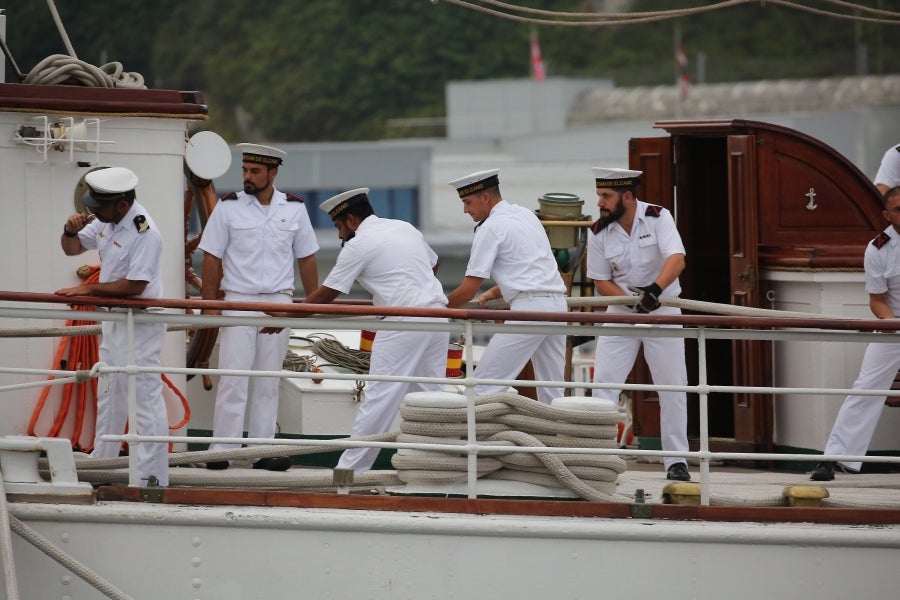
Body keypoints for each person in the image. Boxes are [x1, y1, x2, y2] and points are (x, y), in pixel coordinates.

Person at [298, 188, 450, 474]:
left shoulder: (359, 245)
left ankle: (350, 472)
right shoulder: (403, 227)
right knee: (430, 395)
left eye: (339, 228)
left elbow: (326, 295)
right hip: (437, 317)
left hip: (402, 321)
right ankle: (435, 468)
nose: (340, 236)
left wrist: (285, 315)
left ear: (352, 221)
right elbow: (434, 262)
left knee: (380, 397)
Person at [199, 143, 319, 471]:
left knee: (268, 379)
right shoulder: (228, 207)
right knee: (233, 378)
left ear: (272, 173)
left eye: (255, 172)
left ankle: (262, 449)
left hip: (279, 301)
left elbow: (306, 257)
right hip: (238, 299)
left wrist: (309, 304)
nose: (247, 177)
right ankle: (221, 449)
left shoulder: (294, 209)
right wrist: (211, 307)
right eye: (244, 171)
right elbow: (211, 256)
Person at [57, 166, 169, 487]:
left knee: (144, 399)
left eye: (98, 206)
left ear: (122, 205)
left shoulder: (144, 232)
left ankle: (152, 479)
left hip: (140, 323)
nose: (92, 211)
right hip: (115, 321)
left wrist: (88, 289)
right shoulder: (108, 221)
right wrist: (68, 229)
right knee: (109, 391)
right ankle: (102, 465)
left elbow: (135, 285)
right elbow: (73, 248)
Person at [585, 167, 691, 481]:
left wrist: (654, 293)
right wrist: (632, 304)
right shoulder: (599, 231)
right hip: (621, 311)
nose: (601, 203)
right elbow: (600, 280)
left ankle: (676, 461)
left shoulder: (659, 217)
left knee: (673, 387)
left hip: (664, 309)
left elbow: (677, 258)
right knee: (604, 384)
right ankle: (598, 457)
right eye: (600, 196)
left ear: (628, 197)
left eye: (606, 196)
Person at [445, 169, 567, 405]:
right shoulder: (525, 215)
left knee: (482, 386)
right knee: (553, 392)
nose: (465, 209)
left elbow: (468, 290)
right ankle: (562, 441)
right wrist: (499, 290)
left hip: (529, 311)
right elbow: (533, 267)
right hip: (557, 307)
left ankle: (475, 442)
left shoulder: (490, 227)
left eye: (467, 202)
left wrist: (438, 308)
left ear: (486, 198)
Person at [811, 186, 900, 481]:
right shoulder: (878, 248)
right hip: (893, 325)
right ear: (887, 215)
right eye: (899, 210)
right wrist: (893, 324)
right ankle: (834, 458)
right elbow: (877, 300)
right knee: (866, 387)